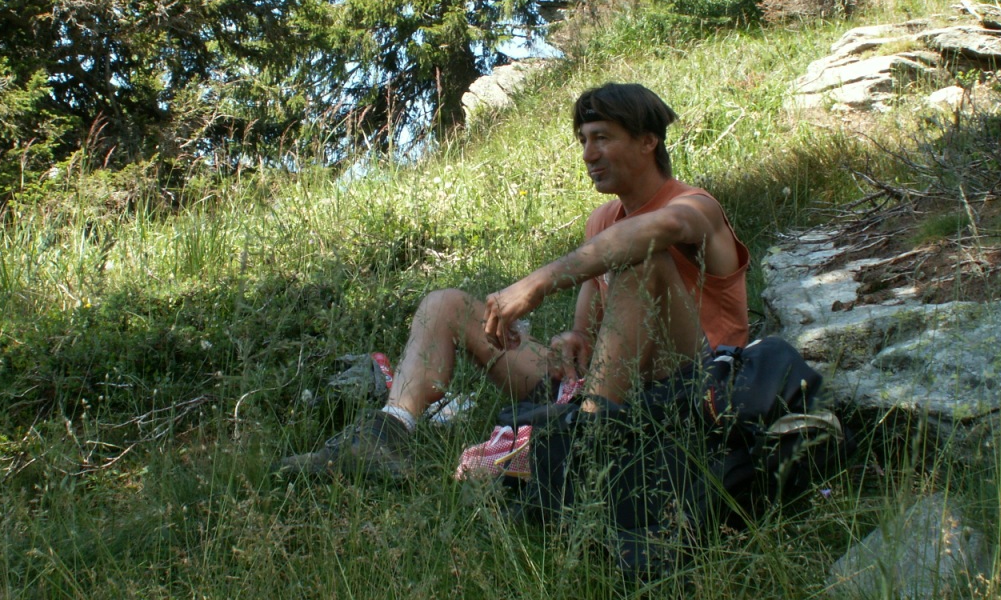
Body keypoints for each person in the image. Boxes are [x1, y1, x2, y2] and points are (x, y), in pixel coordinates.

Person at [277, 82, 749, 480]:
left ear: (648, 141)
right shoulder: (603, 219)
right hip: (605, 384)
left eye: (602, 138)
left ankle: (586, 444)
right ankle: (389, 431)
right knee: (446, 303)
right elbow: (587, 328)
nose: (588, 154)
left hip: (693, 383)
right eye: (584, 140)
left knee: (644, 256)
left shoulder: (696, 205)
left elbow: (662, 229)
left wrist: (539, 282)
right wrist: (574, 339)